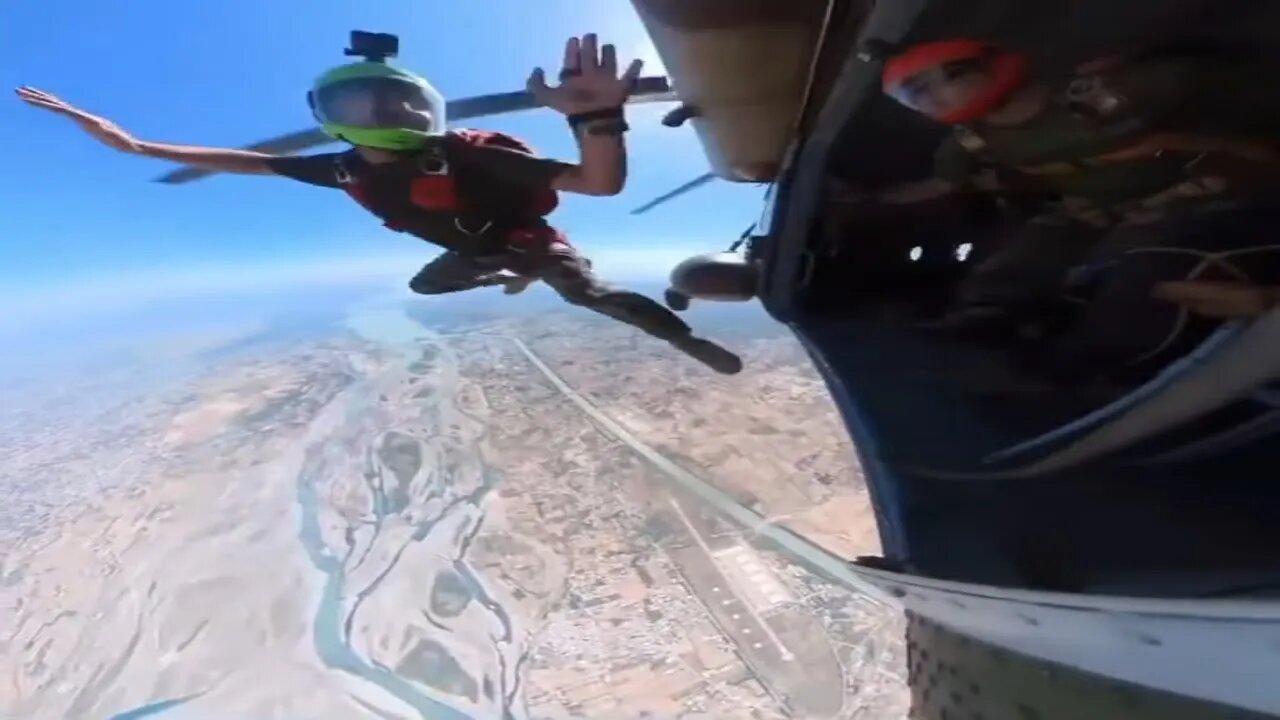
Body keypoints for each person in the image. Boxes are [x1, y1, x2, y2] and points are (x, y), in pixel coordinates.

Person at [14, 32, 744, 375]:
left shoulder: (465, 154)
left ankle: (680, 341)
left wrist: (597, 119)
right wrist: (139, 146)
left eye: (398, 100)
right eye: (360, 102)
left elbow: (597, 183)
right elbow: (251, 163)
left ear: (427, 112)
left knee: (587, 290)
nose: (382, 112)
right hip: (474, 253)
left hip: (527, 238)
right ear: (332, 114)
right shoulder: (338, 171)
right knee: (425, 284)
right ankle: (506, 272)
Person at [857, 39, 1280, 380]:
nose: (926, 104)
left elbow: (1248, 103)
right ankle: (991, 314)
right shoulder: (969, 143)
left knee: (1142, 261)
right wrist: (869, 203)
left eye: (927, 88)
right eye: (914, 98)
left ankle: (1099, 356)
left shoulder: (1122, 90)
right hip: (1095, 207)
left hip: (1191, 188)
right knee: (1033, 246)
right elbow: (944, 184)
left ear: (972, 70)